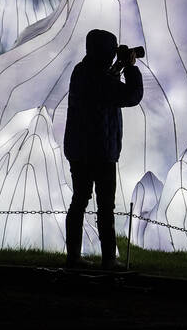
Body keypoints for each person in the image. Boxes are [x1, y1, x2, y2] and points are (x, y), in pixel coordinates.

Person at [64, 29, 143, 270]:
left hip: (79, 150)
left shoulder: (82, 71)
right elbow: (132, 95)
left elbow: (102, 83)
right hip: (101, 151)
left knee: (79, 201)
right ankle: (109, 259)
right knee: (105, 205)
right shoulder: (101, 78)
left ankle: (74, 257)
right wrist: (130, 67)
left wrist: (117, 67)